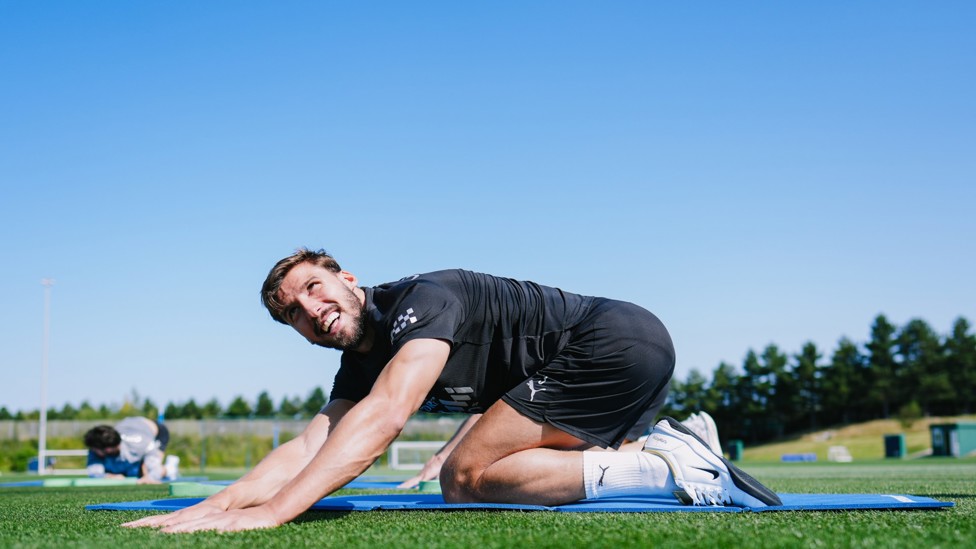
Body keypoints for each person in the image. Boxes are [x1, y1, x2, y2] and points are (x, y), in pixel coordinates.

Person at [125, 248, 779, 533]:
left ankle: (670, 467)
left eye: (315, 286)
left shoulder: (419, 300)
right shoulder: (359, 357)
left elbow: (385, 416)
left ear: (349, 277)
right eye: (294, 310)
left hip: (613, 341)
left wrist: (274, 513)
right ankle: (661, 450)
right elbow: (311, 443)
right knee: (496, 469)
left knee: (465, 477)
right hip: (627, 358)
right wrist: (224, 502)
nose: (311, 307)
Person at [84, 417, 172, 484]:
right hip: (131, 427)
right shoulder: (100, 446)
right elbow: (94, 472)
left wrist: (150, 477)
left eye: (94, 449)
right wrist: (110, 476)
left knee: (150, 470)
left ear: (107, 449)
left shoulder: (138, 444)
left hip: (155, 430)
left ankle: (170, 468)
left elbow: (154, 465)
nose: (92, 451)